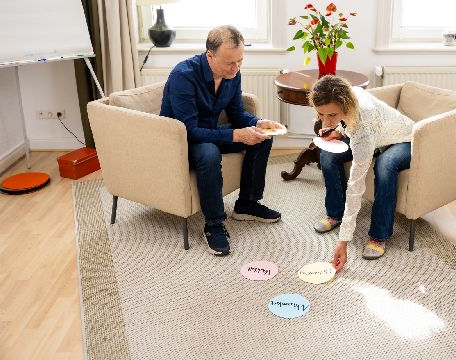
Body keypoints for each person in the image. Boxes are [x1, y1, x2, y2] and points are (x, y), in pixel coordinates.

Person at [160, 25, 283, 256]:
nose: (236, 67)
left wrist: (258, 123)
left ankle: (246, 204)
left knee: (262, 138)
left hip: (210, 132)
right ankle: (214, 224)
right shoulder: (183, 76)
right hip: (180, 141)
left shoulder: (232, 74)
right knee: (209, 153)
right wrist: (236, 135)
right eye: (229, 62)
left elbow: (236, 114)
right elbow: (189, 130)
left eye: (240, 61)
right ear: (210, 55)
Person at [308, 75, 414, 271]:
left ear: (345, 105)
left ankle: (379, 235)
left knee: (384, 165)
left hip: (404, 139)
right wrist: (338, 131)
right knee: (328, 156)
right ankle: (335, 214)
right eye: (321, 114)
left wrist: (343, 241)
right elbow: (346, 122)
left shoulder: (363, 126)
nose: (326, 121)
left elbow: (355, 187)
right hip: (375, 136)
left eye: (332, 115)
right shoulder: (350, 94)